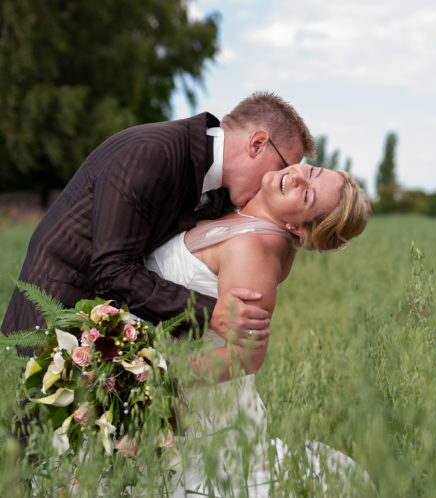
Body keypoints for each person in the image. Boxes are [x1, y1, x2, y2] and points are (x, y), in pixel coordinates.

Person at [1, 92, 315, 347]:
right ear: (257, 143)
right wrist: (208, 313)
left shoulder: (217, 189)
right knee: (33, 425)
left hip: (113, 337)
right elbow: (111, 270)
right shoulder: (151, 157)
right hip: (53, 312)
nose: (276, 182)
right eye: (284, 167)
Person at [143, 163, 372, 494]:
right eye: (312, 170)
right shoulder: (239, 216)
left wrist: (157, 378)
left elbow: (246, 356)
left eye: (306, 194)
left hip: (190, 403)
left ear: (296, 226)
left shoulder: (256, 250)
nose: (296, 177)